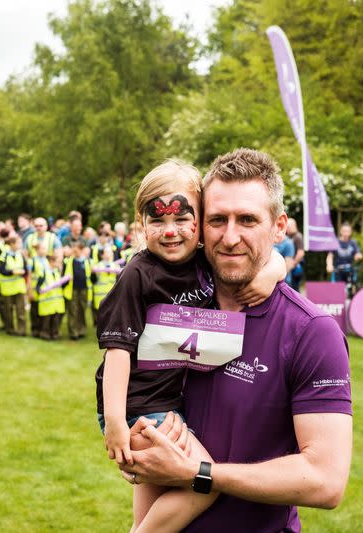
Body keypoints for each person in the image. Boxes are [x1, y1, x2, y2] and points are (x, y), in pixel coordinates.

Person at [120, 148, 353, 533]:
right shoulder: (169, 299)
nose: (230, 237)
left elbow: (325, 480)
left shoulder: (311, 332)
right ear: (198, 226)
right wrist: (139, 452)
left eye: (247, 219)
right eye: (216, 220)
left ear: (279, 227)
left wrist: (201, 474)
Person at [96, 158, 288, 532]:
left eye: (182, 219)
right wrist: (116, 423)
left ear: (199, 221)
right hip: (142, 405)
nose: (171, 232)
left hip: (172, 401)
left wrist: (269, 277)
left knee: (151, 506)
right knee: (203, 483)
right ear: (141, 224)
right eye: (157, 220)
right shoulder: (138, 275)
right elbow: (117, 353)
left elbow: (274, 257)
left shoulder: (204, 262)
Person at [0, 235, 28, 336]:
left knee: (21, 310)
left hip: (19, 287)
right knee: (8, 310)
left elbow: (26, 270)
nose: (19, 245)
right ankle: (9, 329)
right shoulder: (3, 256)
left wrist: (23, 272)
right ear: (11, 244)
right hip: (8, 288)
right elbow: (1, 271)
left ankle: (21, 330)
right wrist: (12, 272)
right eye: (18, 243)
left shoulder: (20, 255)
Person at [63, 241, 92, 339]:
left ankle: (81, 330)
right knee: (73, 311)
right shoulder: (69, 261)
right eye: (73, 250)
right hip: (73, 290)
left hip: (84, 289)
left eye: (77, 250)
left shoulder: (86, 261)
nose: (75, 252)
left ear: (82, 250)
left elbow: (90, 276)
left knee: (82, 310)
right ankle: (73, 332)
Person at [35, 253, 67, 340]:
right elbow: (38, 287)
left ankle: (55, 334)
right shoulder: (44, 273)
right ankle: (45, 334)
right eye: (56, 262)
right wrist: (42, 290)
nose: (58, 264)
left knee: (55, 319)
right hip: (47, 302)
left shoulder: (57, 272)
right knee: (46, 320)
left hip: (56, 302)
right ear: (51, 262)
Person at [326, 222, 363, 293]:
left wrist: (358, 256)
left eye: (348, 231)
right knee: (336, 291)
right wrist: (329, 265)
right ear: (341, 232)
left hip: (350, 271)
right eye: (344, 231)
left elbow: (357, 254)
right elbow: (330, 256)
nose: (346, 233)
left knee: (353, 288)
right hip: (338, 271)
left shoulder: (353, 243)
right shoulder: (335, 242)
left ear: (350, 232)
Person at [90, 246, 120, 323]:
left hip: (112, 295)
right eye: (107, 252)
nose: (109, 254)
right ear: (102, 255)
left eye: (110, 252)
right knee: (101, 318)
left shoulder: (115, 266)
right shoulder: (97, 266)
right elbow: (93, 278)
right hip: (100, 296)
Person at [285, 218, 305, 291]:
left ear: (294, 226)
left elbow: (301, 253)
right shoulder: (288, 237)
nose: (287, 229)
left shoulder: (298, 236)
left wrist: (292, 264)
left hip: (296, 267)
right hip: (290, 266)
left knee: (294, 289)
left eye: (288, 227)